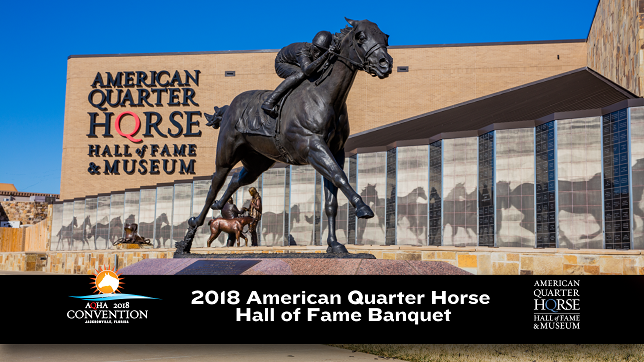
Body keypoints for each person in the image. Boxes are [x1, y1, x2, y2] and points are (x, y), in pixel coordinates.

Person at [261, 30, 337, 117]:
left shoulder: (316, 52)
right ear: (312, 45)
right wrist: (325, 55)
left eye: (321, 52)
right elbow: (307, 70)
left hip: (297, 63)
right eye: (316, 50)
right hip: (282, 63)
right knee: (300, 74)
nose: (317, 54)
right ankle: (269, 101)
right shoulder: (302, 50)